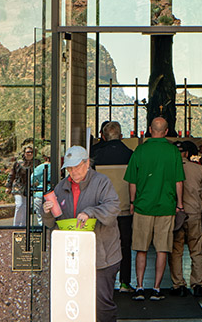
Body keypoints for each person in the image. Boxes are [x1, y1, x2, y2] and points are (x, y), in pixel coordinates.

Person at [42, 144, 121, 322]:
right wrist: (46, 212)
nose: (73, 171)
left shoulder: (102, 182)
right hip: (75, 258)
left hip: (104, 255)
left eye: (77, 166)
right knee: (76, 302)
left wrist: (91, 212)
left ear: (87, 163)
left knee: (102, 304)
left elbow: (113, 207)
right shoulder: (61, 187)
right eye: (69, 167)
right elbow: (56, 224)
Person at [124, 117, 185, 301]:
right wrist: (179, 204)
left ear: (150, 130)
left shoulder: (140, 150)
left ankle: (140, 287)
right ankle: (157, 288)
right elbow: (178, 181)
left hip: (143, 207)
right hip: (166, 207)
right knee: (162, 250)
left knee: (141, 249)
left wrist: (133, 202)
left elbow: (132, 182)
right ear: (166, 131)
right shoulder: (173, 151)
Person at [92, 121, 134, 293]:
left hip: (103, 209)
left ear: (103, 136)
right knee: (125, 244)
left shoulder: (95, 155)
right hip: (124, 208)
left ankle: (102, 283)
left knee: (102, 245)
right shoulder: (130, 155)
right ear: (121, 135)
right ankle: (124, 283)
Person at [169, 140, 202, 297]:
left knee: (176, 250)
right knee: (196, 249)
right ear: (186, 153)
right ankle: (199, 284)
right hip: (194, 214)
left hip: (175, 215)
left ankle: (178, 284)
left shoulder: (170, 170)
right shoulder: (198, 169)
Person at [6, 143, 35, 226]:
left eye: (31, 152)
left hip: (30, 187)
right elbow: (12, 174)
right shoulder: (18, 162)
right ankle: (16, 225)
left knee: (26, 207)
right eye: (27, 152)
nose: (29, 154)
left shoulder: (36, 162)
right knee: (19, 205)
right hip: (18, 186)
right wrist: (8, 186)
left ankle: (24, 226)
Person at [31, 147, 51, 226]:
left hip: (40, 193)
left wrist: (34, 185)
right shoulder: (57, 166)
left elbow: (32, 177)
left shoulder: (40, 168)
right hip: (51, 193)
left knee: (40, 217)